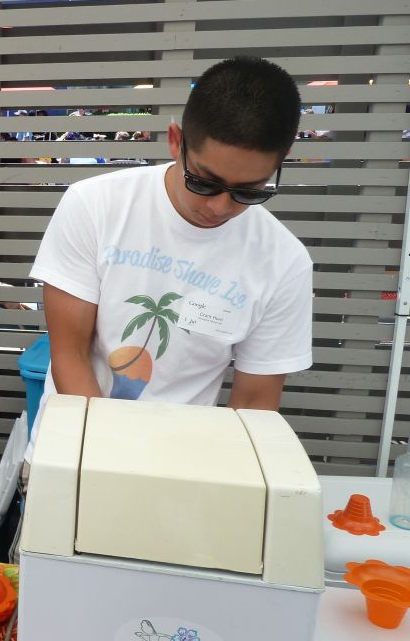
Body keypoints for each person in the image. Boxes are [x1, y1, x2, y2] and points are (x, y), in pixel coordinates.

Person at [30, 56, 311, 420]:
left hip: (182, 457)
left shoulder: (284, 262)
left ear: (281, 160)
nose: (220, 207)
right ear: (176, 141)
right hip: (77, 444)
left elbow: (255, 405)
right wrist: (109, 463)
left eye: (250, 191)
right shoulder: (95, 205)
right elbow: (70, 355)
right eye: (204, 182)